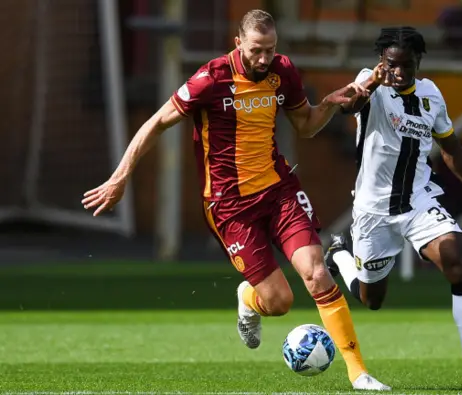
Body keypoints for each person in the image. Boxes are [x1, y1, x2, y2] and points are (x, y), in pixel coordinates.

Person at [81, 9, 390, 392]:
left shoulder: (283, 72)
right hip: (229, 207)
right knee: (278, 302)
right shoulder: (209, 79)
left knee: (317, 273)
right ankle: (249, 297)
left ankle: (358, 373)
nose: (264, 59)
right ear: (238, 43)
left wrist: (328, 102)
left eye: (270, 50)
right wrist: (120, 176)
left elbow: (306, 126)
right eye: (257, 50)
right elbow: (156, 122)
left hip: (279, 191)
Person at [324, 26, 462, 391]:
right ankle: (340, 257)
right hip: (373, 210)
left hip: (418, 201)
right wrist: (372, 84)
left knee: (457, 259)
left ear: (417, 63)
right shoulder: (369, 82)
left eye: (406, 66)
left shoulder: (431, 95)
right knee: (370, 298)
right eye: (391, 64)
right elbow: (345, 104)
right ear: (381, 61)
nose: (398, 73)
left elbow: (452, 149)